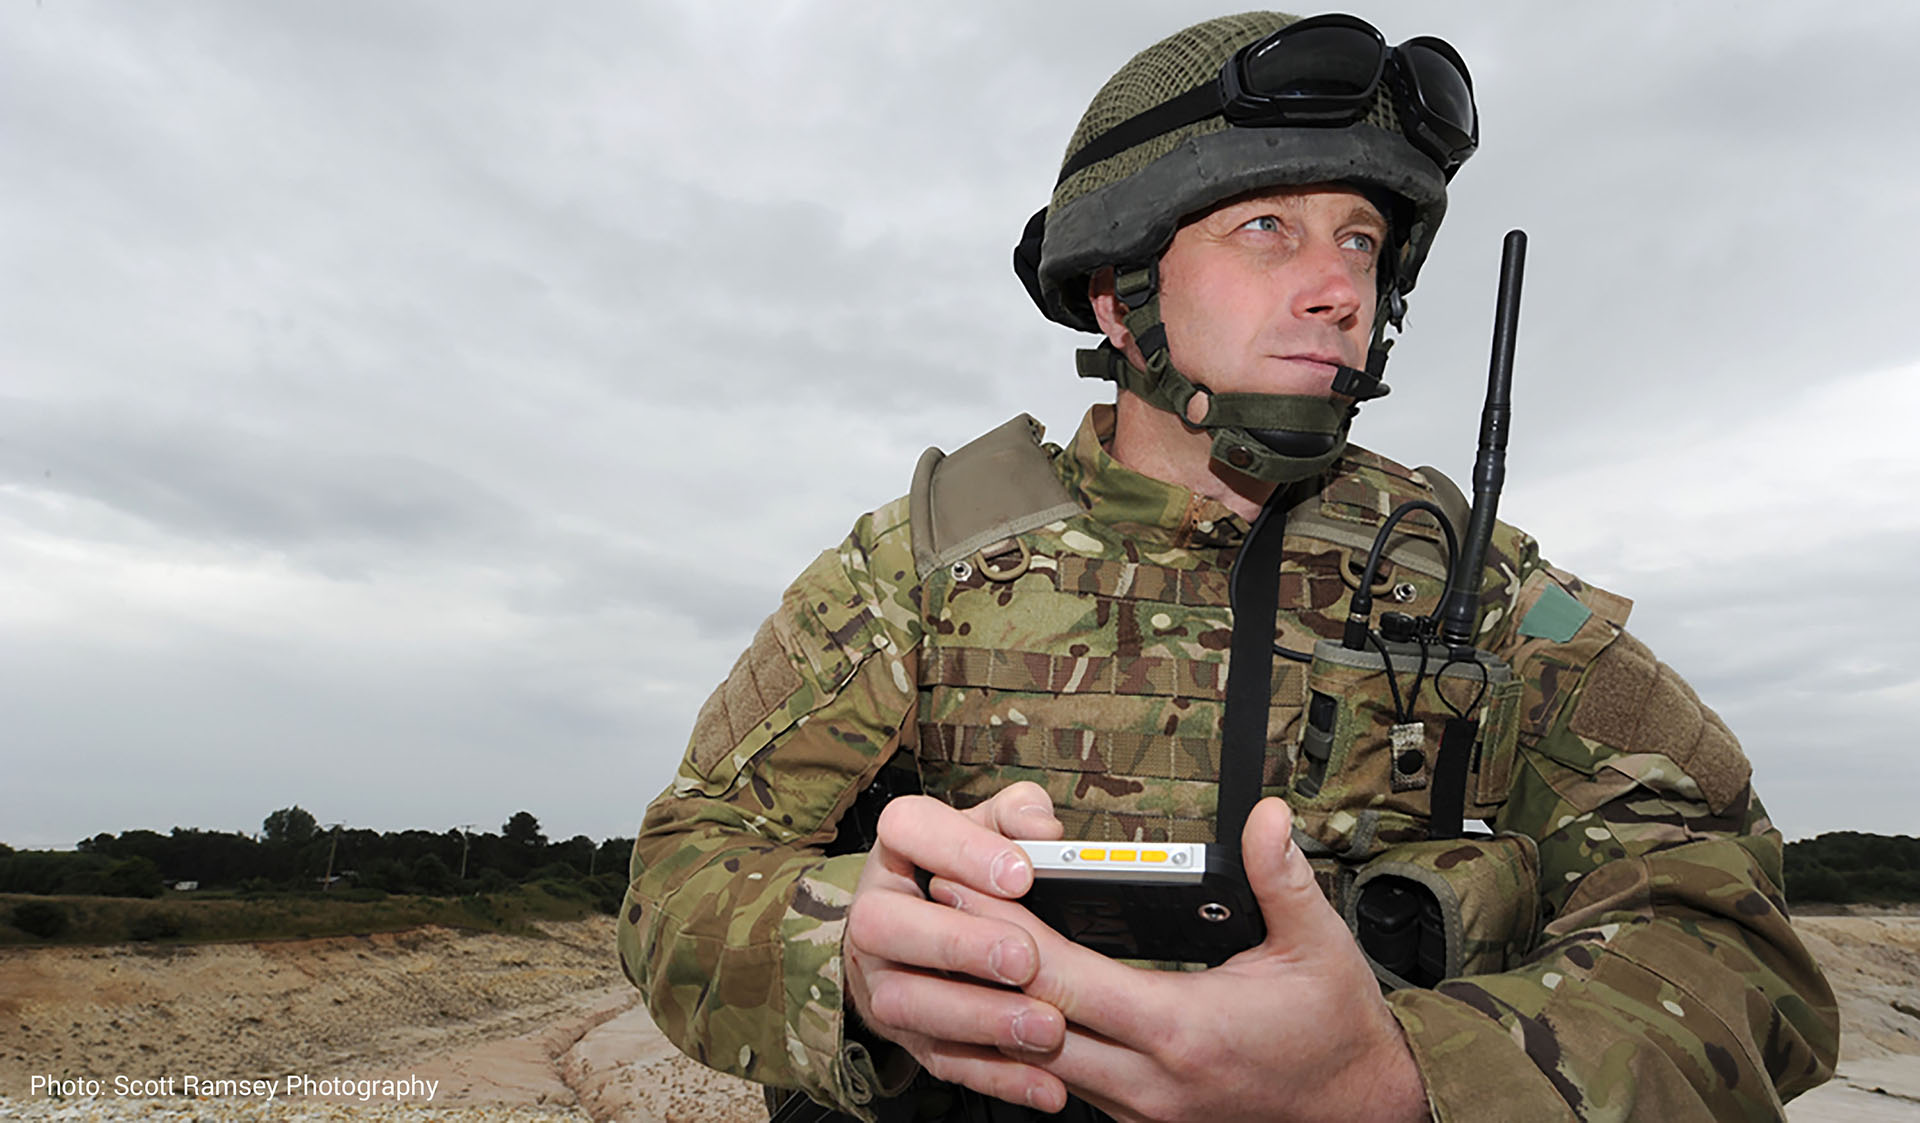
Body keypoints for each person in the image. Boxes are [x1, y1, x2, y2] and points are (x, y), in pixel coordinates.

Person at [617, 11, 1839, 1121]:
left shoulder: (1481, 590)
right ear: (1116, 288)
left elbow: (1733, 921)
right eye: (1268, 229)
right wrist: (851, 958)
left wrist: (1408, 1076)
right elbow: (683, 867)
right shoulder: (923, 567)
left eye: (1361, 240)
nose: (1338, 291)